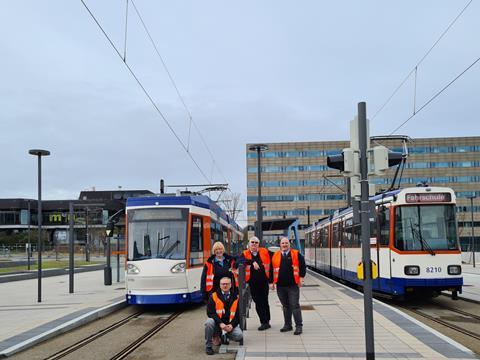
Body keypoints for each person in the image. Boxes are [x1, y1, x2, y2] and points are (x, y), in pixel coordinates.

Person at [270, 237, 306, 335]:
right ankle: (287, 325)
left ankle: (299, 326)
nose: (284, 245)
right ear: (280, 245)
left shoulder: (296, 253)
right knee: (285, 306)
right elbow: (271, 269)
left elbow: (302, 265)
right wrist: (271, 282)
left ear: (289, 244)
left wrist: (301, 277)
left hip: (293, 285)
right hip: (280, 286)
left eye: (286, 243)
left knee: (294, 305)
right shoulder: (275, 255)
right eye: (283, 243)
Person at [239, 236, 272, 330]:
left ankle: (267, 321)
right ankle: (263, 321)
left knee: (265, 301)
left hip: (264, 282)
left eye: (256, 242)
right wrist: (252, 261)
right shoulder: (244, 253)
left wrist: (272, 281)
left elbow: (274, 260)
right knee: (258, 302)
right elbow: (238, 261)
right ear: (249, 244)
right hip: (253, 283)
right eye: (252, 242)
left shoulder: (264, 251)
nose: (254, 244)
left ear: (259, 244)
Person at [204, 276, 243, 355]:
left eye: (227, 284)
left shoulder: (236, 297)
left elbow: (238, 315)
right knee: (209, 322)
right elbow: (210, 313)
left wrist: (231, 325)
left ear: (230, 285)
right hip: (217, 324)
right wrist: (220, 323)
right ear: (220, 285)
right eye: (223, 284)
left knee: (239, 335)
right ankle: (208, 346)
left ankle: (224, 336)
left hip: (229, 325)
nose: (225, 286)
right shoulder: (213, 296)